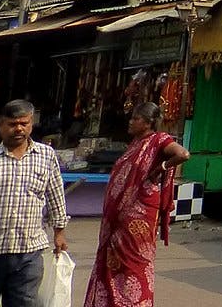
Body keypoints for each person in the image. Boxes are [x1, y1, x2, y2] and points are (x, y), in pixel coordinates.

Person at [81, 102, 189, 307]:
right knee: (112, 262)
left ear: (148, 123)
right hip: (118, 219)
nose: (130, 122)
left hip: (139, 217)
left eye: (135, 119)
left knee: (134, 264)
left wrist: (162, 167)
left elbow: (183, 154)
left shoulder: (159, 140)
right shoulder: (135, 144)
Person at [0, 98, 69, 307]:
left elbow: (55, 195)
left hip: (28, 251)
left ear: (31, 123)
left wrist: (59, 232)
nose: (19, 129)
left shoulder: (46, 156)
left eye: (24, 123)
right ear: (1, 125)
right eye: (13, 124)